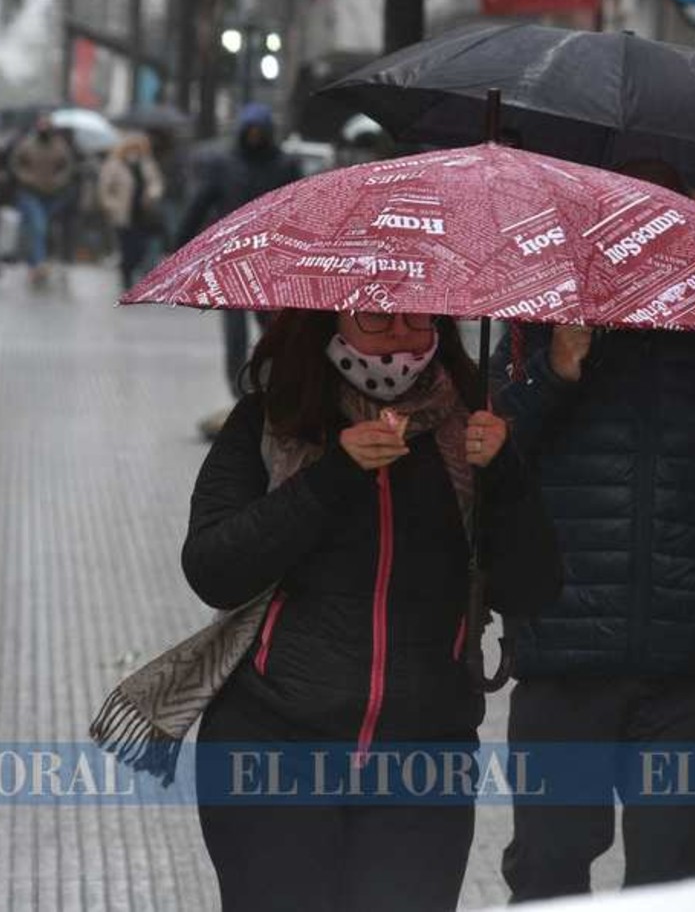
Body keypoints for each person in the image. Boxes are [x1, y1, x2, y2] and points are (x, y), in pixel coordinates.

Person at [491, 161, 695, 901]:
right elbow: (484, 474)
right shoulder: (532, 336)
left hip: (682, 675)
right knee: (546, 869)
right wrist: (554, 374)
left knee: (669, 882)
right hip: (560, 662)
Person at [184, 309, 560, 911]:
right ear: (331, 323)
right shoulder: (273, 417)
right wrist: (335, 474)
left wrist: (505, 473)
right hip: (272, 749)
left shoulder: (470, 425)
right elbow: (212, 569)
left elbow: (533, 589)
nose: (400, 338)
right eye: (377, 321)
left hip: (422, 761)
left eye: (415, 321)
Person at [179, 103, 302, 435]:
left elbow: (300, 206)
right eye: (250, 132)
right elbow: (201, 202)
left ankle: (270, 390)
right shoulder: (225, 165)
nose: (255, 137)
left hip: (271, 258)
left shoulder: (285, 164)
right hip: (232, 259)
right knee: (234, 335)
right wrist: (182, 245)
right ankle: (241, 395)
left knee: (275, 332)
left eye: (260, 132)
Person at [9, 115, 76, 287]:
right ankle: (38, 264)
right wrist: (26, 178)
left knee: (41, 230)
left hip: (52, 194)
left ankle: (35, 262)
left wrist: (58, 180)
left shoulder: (60, 146)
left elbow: (67, 167)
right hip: (30, 192)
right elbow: (16, 164)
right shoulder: (27, 144)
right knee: (38, 226)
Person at [98, 132, 166, 292]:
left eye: (138, 148)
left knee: (141, 248)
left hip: (143, 213)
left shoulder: (147, 164)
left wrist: (152, 194)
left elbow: (156, 183)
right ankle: (126, 276)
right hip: (123, 214)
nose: (135, 151)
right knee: (127, 247)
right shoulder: (113, 165)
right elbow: (104, 190)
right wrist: (112, 206)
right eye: (132, 147)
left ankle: (131, 272)